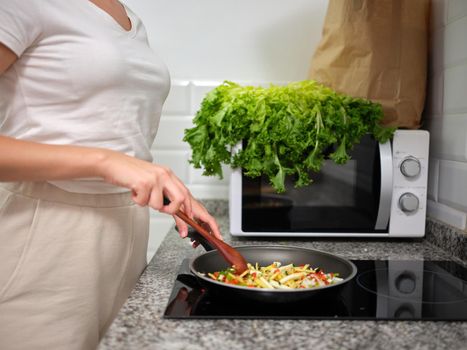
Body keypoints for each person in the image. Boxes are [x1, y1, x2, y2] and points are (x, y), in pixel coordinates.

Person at [0, 1, 222, 349]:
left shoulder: (128, 17)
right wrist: (106, 162)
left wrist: (163, 188)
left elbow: (106, 128)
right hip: (44, 235)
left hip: (125, 233)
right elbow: (103, 155)